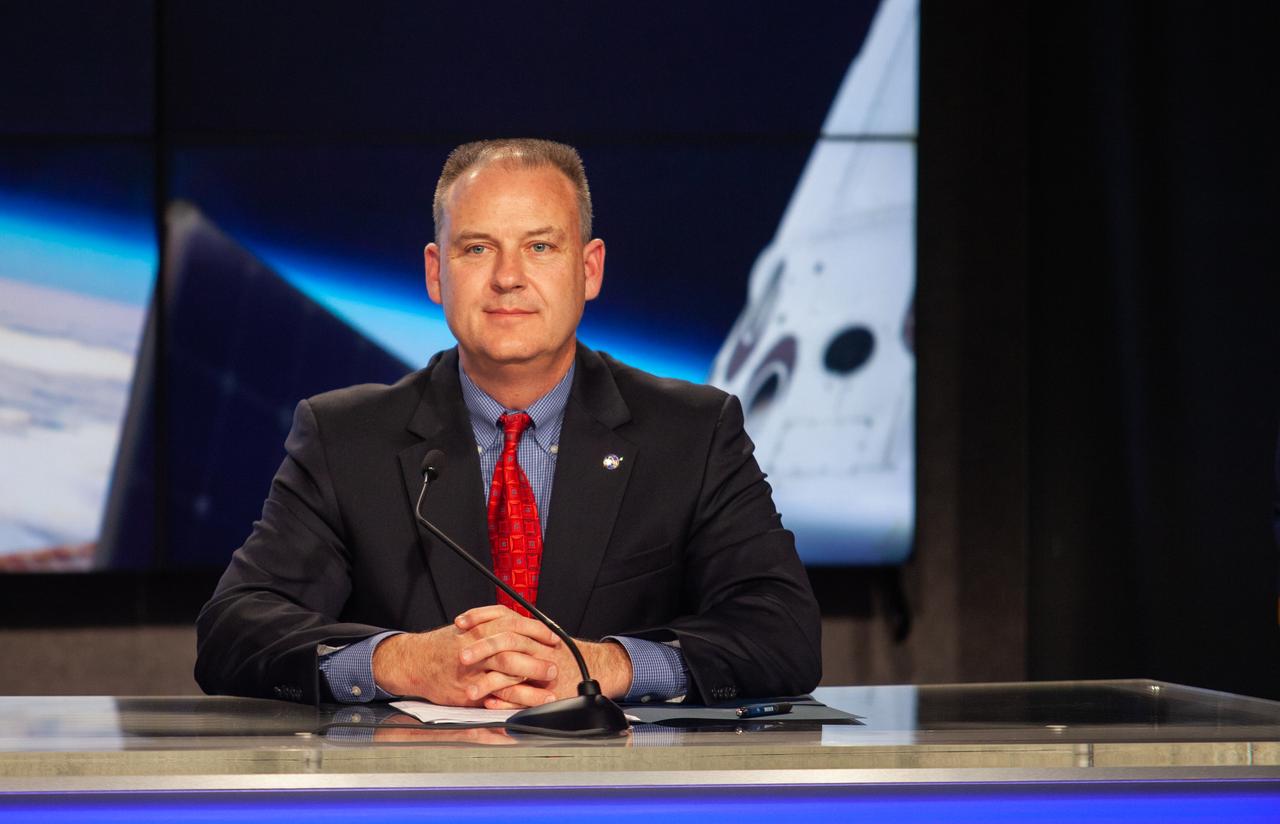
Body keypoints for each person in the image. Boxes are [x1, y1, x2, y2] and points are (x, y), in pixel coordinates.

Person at [195, 139, 821, 708]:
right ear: (437, 274)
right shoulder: (344, 438)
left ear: (589, 268)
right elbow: (233, 630)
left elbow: (782, 634)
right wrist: (401, 662)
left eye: (540, 246)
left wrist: (606, 665)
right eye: (477, 248)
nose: (508, 278)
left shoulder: (693, 432)